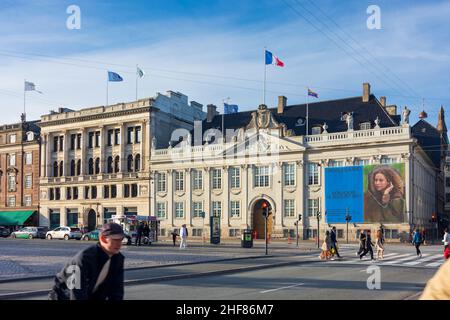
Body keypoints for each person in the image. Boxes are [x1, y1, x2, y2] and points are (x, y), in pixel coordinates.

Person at [48, 222, 125, 300]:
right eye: (115, 239)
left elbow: (117, 291)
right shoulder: (83, 259)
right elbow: (76, 293)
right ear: (103, 238)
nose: (119, 243)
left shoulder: (118, 259)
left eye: (121, 239)